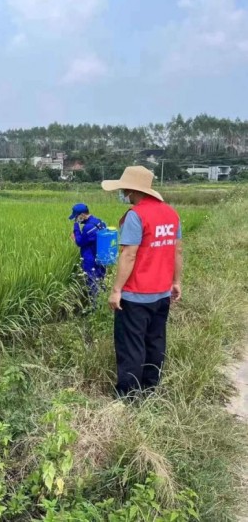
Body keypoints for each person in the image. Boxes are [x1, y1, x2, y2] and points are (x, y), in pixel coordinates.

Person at [101, 166, 183, 398]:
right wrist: (176, 282)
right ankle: (150, 388)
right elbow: (177, 251)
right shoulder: (171, 214)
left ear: (130, 190)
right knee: (155, 341)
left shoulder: (135, 215)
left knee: (131, 345)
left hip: (135, 295)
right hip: (161, 293)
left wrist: (116, 290)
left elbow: (129, 254)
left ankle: (129, 395)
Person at [69, 203, 107, 306]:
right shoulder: (99, 222)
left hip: (91, 259)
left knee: (92, 285)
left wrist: (76, 228)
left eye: (76, 218)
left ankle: (95, 308)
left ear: (82, 215)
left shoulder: (89, 227)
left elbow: (80, 242)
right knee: (101, 282)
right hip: (101, 258)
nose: (76, 220)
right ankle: (102, 305)